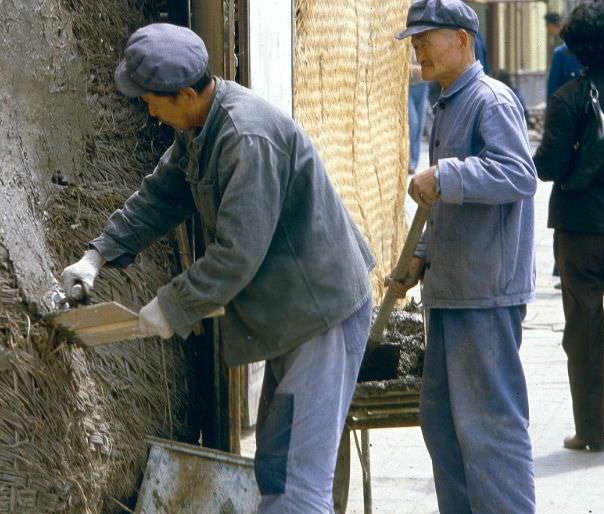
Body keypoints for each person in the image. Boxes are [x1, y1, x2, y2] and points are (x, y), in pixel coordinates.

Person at [60, 23, 375, 512]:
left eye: (149, 99)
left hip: (320, 314)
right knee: (276, 465)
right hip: (292, 312)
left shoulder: (245, 139)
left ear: (185, 94)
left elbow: (236, 255)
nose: (146, 108)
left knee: (298, 482)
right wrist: (97, 254)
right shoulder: (199, 125)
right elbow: (162, 194)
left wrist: (172, 306)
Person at [393, 1, 537, 512]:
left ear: (461, 38)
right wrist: (422, 256)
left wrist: (447, 175)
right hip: (452, 289)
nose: (417, 48)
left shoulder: (490, 100)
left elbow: (519, 174)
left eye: (426, 38)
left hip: (485, 293)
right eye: (413, 38)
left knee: (489, 430)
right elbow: (447, 207)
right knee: (444, 426)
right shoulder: (448, 102)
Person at [533, 0, 604, 453]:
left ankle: (590, 432)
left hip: (579, 233)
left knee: (583, 329)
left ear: (575, 45)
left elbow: (548, 167)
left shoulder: (569, 98)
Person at [408, 53, 429, 174]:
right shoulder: (406, 46)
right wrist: (420, 70)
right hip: (409, 86)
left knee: (419, 125)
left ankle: (414, 161)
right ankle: (410, 159)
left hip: (423, 87)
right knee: (413, 122)